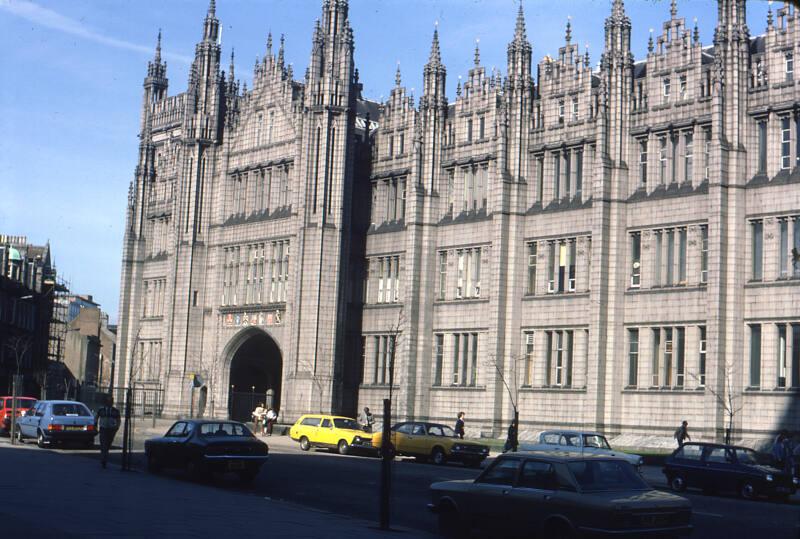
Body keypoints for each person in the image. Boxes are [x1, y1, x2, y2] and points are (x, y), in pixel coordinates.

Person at [95, 396, 121, 469]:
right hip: (103, 429)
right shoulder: (101, 410)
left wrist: (117, 427)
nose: (109, 403)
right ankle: (104, 460)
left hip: (111, 430)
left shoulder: (115, 411)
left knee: (108, 445)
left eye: (110, 402)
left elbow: (118, 420)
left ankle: (104, 458)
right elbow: (96, 417)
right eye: (108, 402)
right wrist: (95, 425)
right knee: (103, 445)